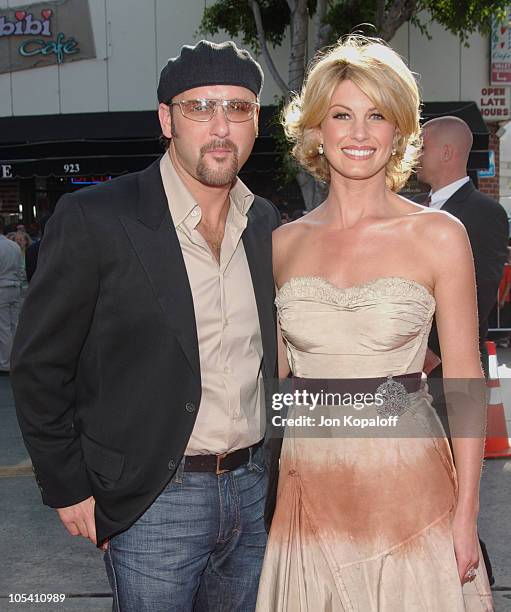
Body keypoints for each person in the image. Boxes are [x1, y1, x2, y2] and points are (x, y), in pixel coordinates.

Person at [12, 40, 280, 612]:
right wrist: (68, 485)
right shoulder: (97, 217)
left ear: (256, 122)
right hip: (154, 497)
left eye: (238, 109)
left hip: (253, 488)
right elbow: (40, 366)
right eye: (199, 107)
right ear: (166, 119)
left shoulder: (263, 221)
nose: (220, 126)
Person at [256, 36, 493, 611]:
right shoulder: (281, 245)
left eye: (376, 116)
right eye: (341, 115)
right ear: (315, 130)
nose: (359, 133)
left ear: (398, 132)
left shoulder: (438, 235)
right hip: (310, 485)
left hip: (408, 487)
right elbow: (269, 373)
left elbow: (463, 381)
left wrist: (466, 515)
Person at [417, 116, 508, 377]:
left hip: (449, 368)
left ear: (446, 152)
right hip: (404, 362)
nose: (416, 155)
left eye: (423, 147)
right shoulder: (409, 206)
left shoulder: (485, 213)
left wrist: (432, 351)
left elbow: (480, 292)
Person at [0, 217, 24, 374]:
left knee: (3, 327)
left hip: (1, 287)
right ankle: (15, 358)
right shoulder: (14, 245)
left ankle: (5, 362)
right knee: (14, 325)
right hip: (15, 287)